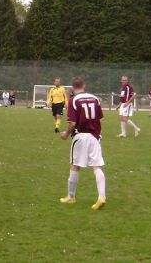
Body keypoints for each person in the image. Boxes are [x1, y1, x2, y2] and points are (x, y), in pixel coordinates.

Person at [59, 77, 106, 210]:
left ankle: (71, 196)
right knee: (97, 166)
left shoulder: (73, 100)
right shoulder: (95, 98)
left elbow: (72, 123)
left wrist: (66, 134)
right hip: (94, 136)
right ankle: (101, 197)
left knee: (75, 166)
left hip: (80, 136)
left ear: (73, 87)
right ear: (84, 85)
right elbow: (101, 119)